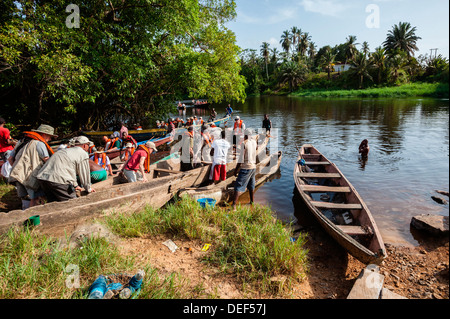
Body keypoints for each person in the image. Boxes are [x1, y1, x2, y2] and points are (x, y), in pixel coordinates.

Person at [8, 124, 57, 208]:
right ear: (45, 134)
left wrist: (19, 168)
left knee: (25, 198)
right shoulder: (39, 144)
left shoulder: (21, 141)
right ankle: (32, 219)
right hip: (30, 176)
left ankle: (25, 217)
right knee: (36, 199)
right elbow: (47, 160)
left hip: (17, 174)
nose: (49, 139)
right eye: (50, 137)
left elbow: (10, 159)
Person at [36, 136, 95, 202]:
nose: (88, 147)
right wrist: (88, 188)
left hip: (43, 178)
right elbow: (84, 172)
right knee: (72, 202)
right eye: (88, 145)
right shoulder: (82, 153)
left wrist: (75, 185)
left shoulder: (65, 151)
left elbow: (69, 169)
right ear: (84, 145)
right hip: (58, 180)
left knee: (53, 203)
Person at [232, 129, 257, 210]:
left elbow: (241, 159)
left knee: (238, 186)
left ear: (245, 135)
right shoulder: (254, 142)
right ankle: (252, 202)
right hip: (253, 167)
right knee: (251, 186)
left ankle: (234, 206)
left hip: (246, 167)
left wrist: (236, 170)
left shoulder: (244, 143)